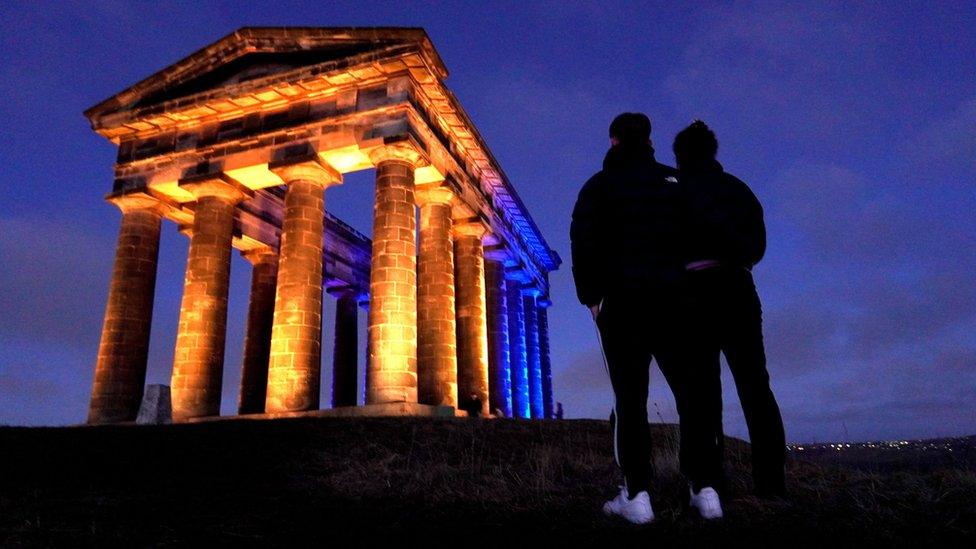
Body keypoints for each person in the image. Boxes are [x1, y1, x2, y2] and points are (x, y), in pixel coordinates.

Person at [570, 112, 689, 524]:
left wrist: (592, 297)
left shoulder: (599, 186)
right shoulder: (676, 181)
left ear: (614, 140)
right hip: (675, 300)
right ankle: (705, 488)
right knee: (692, 394)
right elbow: (696, 235)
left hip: (622, 304)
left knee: (630, 400)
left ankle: (637, 496)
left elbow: (582, 242)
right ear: (650, 140)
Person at [673, 120, 787, 499]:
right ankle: (771, 485)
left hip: (692, 295)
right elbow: (757, 247)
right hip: (738, 288)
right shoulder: (738, 190)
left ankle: (709, 486)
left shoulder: (674, 194)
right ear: (713, 152)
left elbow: (660, 251)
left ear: (680, 156)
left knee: (701, 393)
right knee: (756, 387)